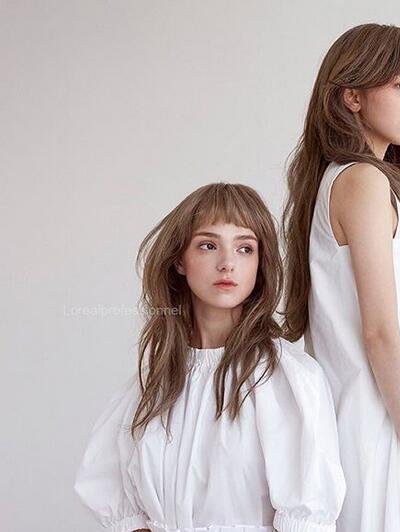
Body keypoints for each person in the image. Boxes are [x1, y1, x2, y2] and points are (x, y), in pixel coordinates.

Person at [281, 24, 400, 532]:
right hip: (391, 436)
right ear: (352, 96)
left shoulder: (339, 182)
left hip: (380, 427)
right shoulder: (362, 181)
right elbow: (381, 334)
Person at [74, 183, 346, 532]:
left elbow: (307, 519)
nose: (227, 263)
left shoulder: (286, 380)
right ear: (179, 261)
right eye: (208, 245)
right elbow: (120, 505)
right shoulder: (153, 383)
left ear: (260, 264)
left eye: (245, 248)